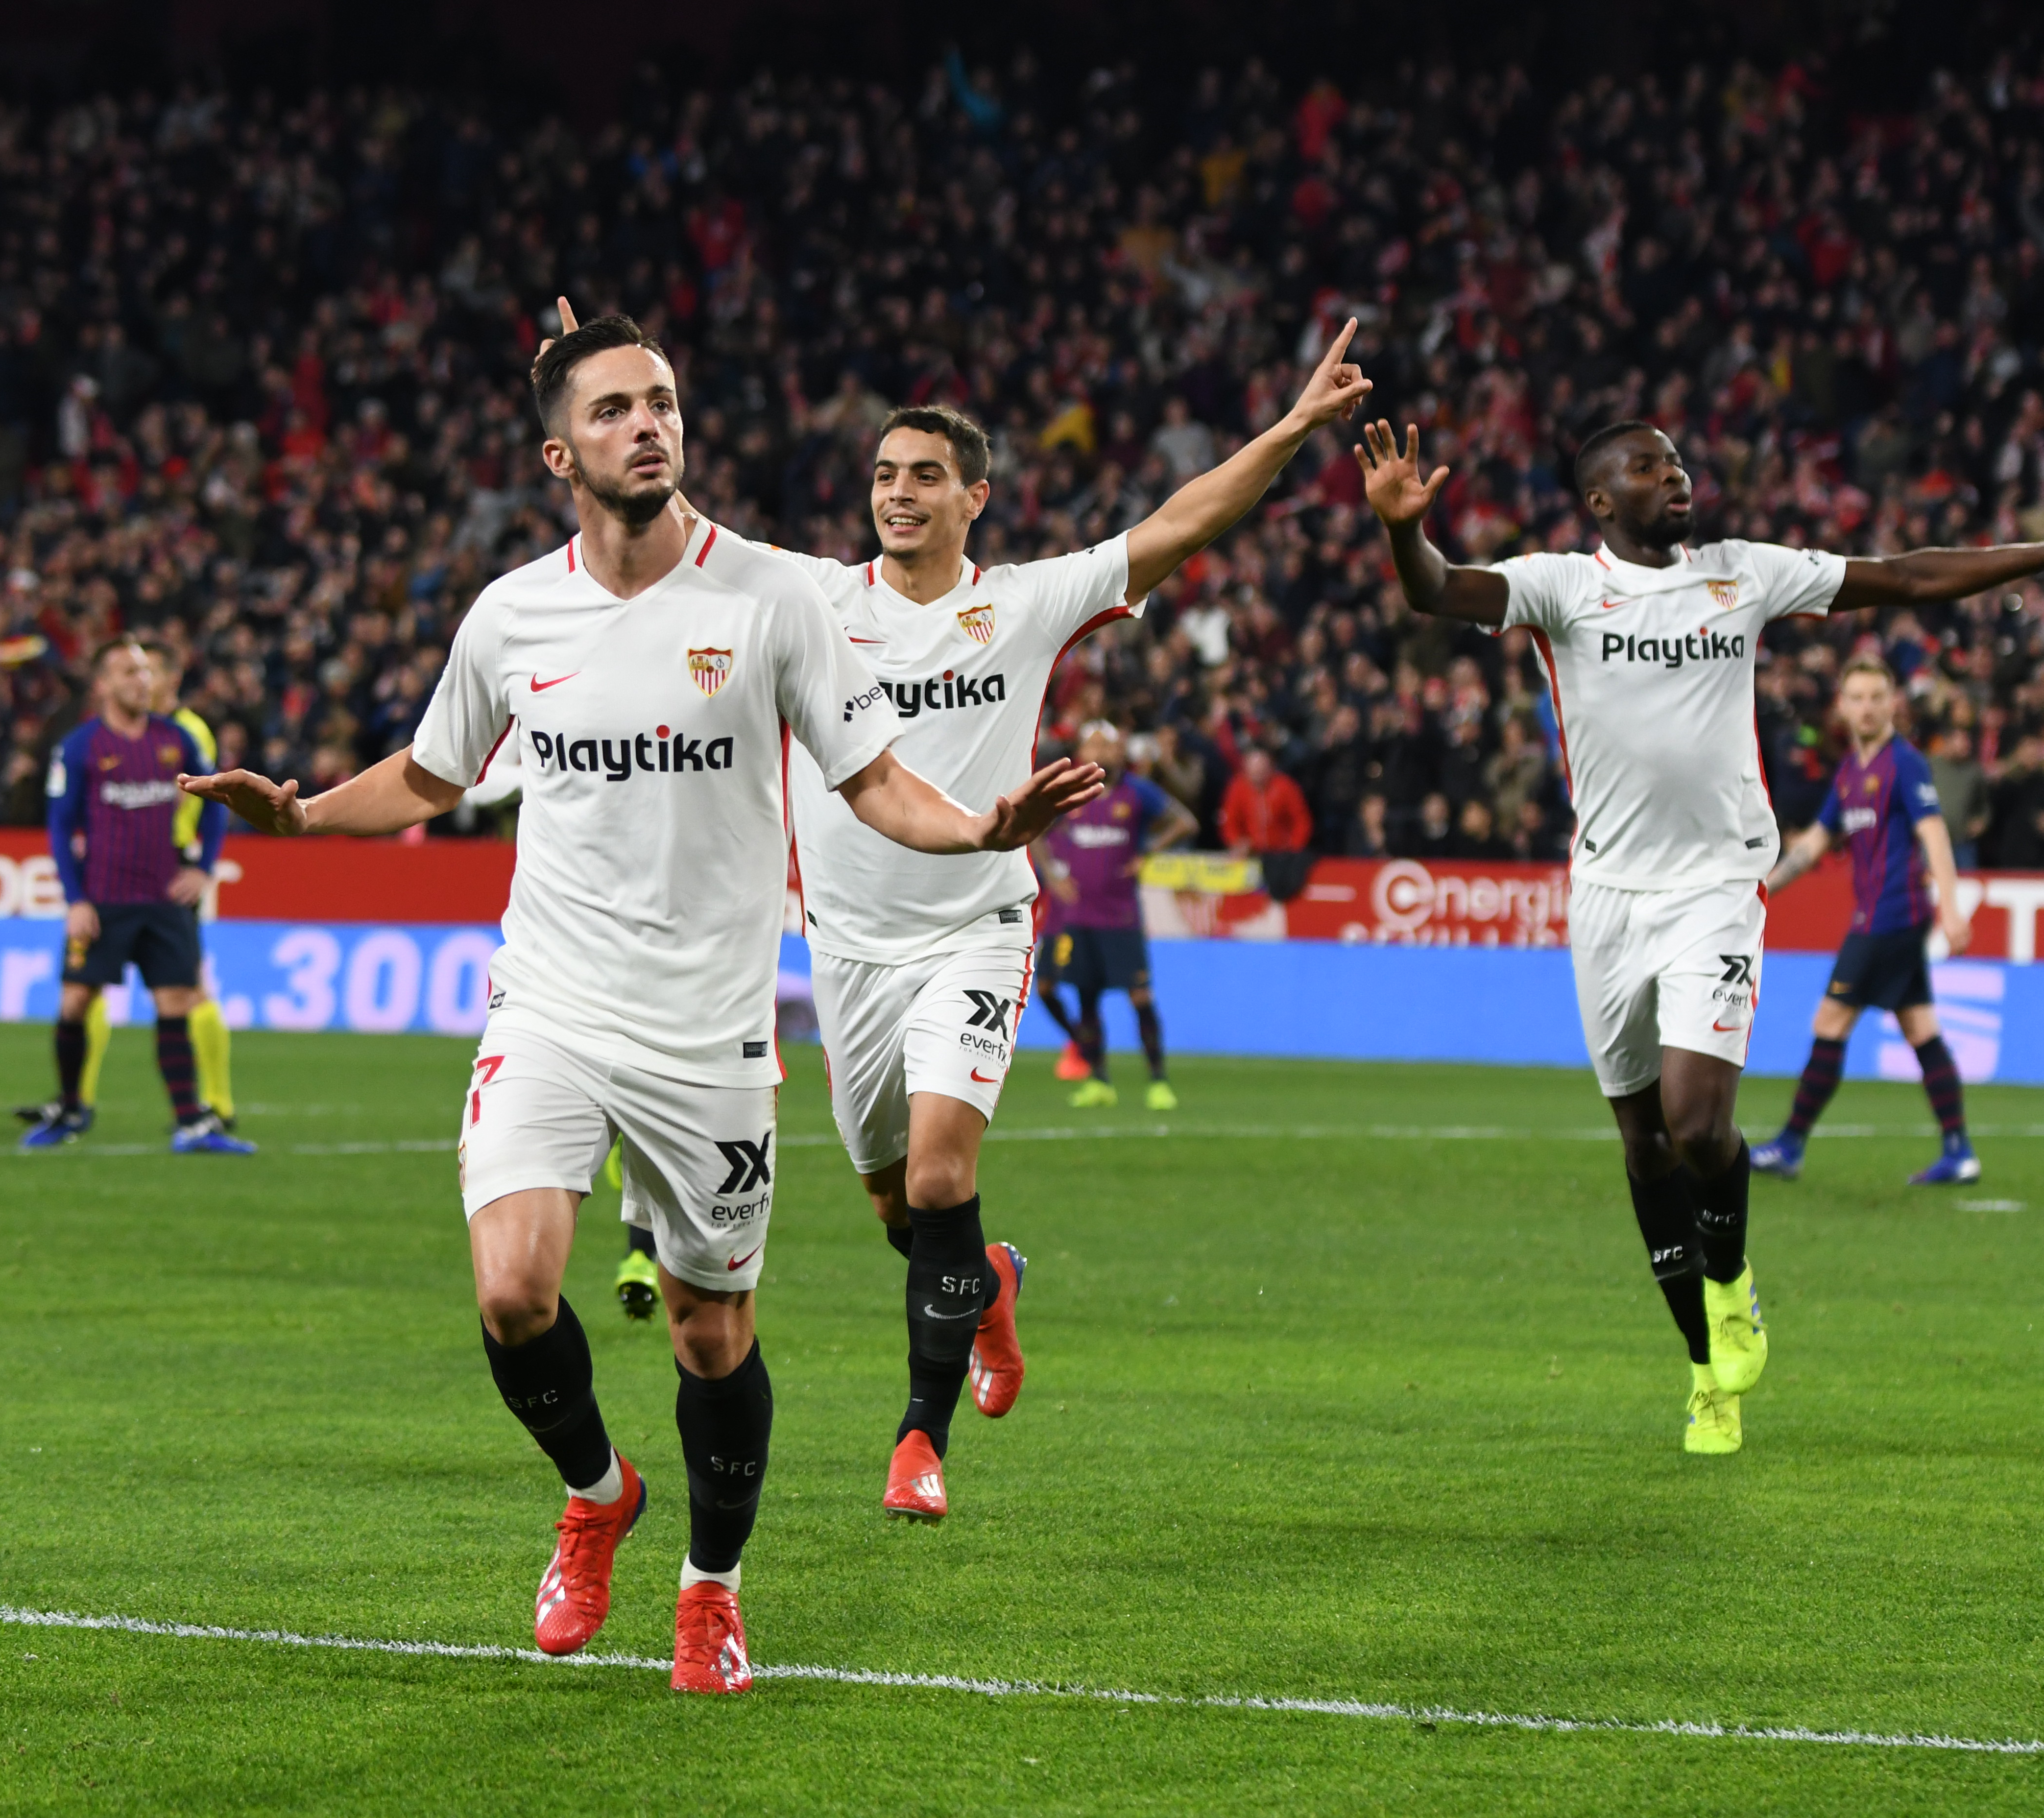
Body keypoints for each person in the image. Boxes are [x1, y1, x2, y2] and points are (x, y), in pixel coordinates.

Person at [178, 313, 1095, 1692]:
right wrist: (303, 809)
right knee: (512, 1290)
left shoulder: (776, 599)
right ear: (562, 452)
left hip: (710, 1034)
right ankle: (599, 1495)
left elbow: (876, 784)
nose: (647, 423)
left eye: (660, 400)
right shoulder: (512, 615)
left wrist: (982, 829)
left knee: (708, 1332)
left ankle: (712, 1590)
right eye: (612, 408)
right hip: (550, 999)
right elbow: (433, 777)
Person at [550, 298, 1365, 1522]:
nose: (899, 493)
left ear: (972, 497)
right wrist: (584, 386)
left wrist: (1295, 429)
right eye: (885, 474)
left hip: (974, 927)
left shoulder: (1025, 604)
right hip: (849, 954)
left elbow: (1180, 523)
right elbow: (666, 522)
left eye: (926, 475)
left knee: (937, 1174)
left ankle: (916, 1441)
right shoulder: (810, 599)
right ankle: (986, 1285)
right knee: (898, 1206)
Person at [1358, 415, 2044, 1455]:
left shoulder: (1744, 574)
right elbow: (1437, 589)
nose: (1675, 474)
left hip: (1718, 886)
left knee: (1696, 1119)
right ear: (1600, 499)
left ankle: (1731, 1285)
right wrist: (1407, 531)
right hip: (1606, 896)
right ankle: (1703, 1367)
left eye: (1677, 460)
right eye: (1648, 465)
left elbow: (1903, 577)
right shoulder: (1562, 588)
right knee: (1641, 1142)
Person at [1750, 658, 1979, 1185]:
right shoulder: (1853, 769)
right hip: (1885, 919)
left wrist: (1950, 906)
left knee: (1830, 1021)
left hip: (1890, 918)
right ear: (1843, 706)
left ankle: (1789, 1145)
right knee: (1920, 1026)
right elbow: (1812, 846)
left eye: (1877, 696)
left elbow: (1935, 834)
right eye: (1857, 697)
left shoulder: (1905, 763)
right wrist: (1760, 889)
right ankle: (1959, 1150)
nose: (1868, 707)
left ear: (1893, 701)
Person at [21, 640, 248, 1156]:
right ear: (102, 684)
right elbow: (59, 828)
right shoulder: (79, 747)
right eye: (129, 672)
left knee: (177, 1001)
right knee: (76, 999)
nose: (141, 681)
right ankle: (71, 1107)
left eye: (146, 671)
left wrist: (204, 867)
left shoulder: (178, 740)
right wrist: (75, 899)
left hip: (163, 897)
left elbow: (217, 802)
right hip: (102, 898)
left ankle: (190, 1121)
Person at [1034, 721, 1199, 1116]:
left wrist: (1148, 852)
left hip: (1120, 915)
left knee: (1140, 997)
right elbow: (1034, 831)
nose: (1101, 752)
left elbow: (1186, 822)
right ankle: (1098, 1077)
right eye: (1093, 744)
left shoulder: (1137, 792)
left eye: (1107, 745)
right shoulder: (1069, 792)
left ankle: (1158, 1081)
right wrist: (1054, 878)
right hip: (1075, 916)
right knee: (1079, 996)